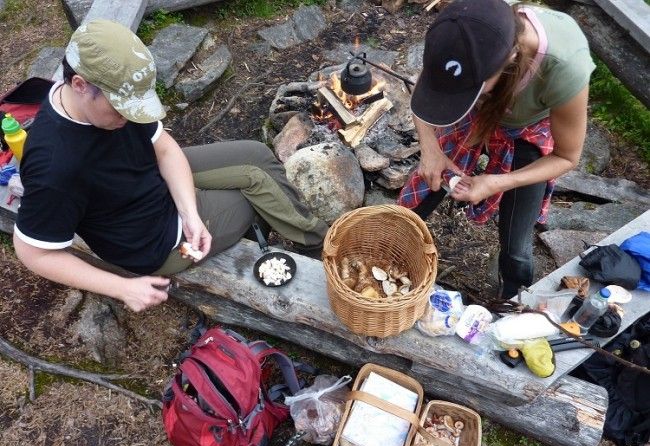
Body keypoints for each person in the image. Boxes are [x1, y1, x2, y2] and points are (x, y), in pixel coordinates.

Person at [13, 19, 328, 312]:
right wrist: (122, 287)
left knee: (256, 155)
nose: (129, 118)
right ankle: (324, 247)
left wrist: (191, 213)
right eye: (121, 110)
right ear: (80, 85)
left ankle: (307, 236)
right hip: (157, 236)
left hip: (152, 182)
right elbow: (34, 252)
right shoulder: (56, 166)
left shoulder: (110, 96)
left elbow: (163, 149)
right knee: (255, 197)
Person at [399, 0, 594, 298]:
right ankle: (391, 248)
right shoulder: (463, 26)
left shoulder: (565, 64)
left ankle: (512, 300)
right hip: (478, 110)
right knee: (427, 183)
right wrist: (430, 149)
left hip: (527, 130)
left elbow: (567, 156)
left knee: (517, 243)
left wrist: (497, 182)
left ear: (511, 58)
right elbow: (428, 85)